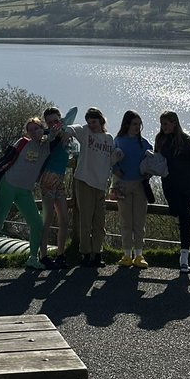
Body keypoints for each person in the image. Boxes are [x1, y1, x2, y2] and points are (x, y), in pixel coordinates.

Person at [0, 117, 52, 270]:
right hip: (8, 184)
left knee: (37, 223)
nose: (34, 131)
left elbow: (57, 134)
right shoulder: (23, 142)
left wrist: (49, 132)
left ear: (42, 129)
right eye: (30, 130)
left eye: (37, 128)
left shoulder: (46, 147)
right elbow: (7, 158)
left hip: (25, 190)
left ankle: (32, 258)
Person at [66, 108, 115, 267]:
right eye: (89, 122)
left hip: (101, 184)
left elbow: (112, 159)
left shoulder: (108, 138)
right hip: (85, 180)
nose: (92, 125)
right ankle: (85, 254)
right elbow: (71, 129)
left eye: (94, 121)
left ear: (101, 120)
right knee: (86, 219)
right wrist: (63, 130)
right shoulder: (85, 132)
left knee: (99, 221)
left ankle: (97, 253)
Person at [154, 111, 190, 274]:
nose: (163, 127)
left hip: (186, 185)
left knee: (185, 219)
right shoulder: (160, 139)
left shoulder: (187, 141)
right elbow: (157, 160)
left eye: (166, 124)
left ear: (174, 123)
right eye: (162, 124)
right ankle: (184, 252)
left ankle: (184, 256)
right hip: (169, 185)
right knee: (175, 211)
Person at [112, 111, 153, 268]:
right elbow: (112, 158)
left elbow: (152, 160)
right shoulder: (119, 140)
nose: (137, 127)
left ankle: (139, 255)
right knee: (125, 221)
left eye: (138, 124)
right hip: (122, 184)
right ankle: (127, 254)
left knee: (139, 221)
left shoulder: (144, 143)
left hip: (140, 184)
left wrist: (149, 172)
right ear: (127, 124)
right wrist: (116, 169)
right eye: (134, 124)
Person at [39, 107, 76, 270]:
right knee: (46, 220)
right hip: (48, 177)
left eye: (55, 120)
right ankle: (43, 256)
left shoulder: (66, 134)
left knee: (64, 220)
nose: (53, 124)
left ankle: (60, 255)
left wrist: (65, 129)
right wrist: (52, 133)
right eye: (49, 122)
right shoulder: (47, 136)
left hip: (60, 179)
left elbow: (74, 111)